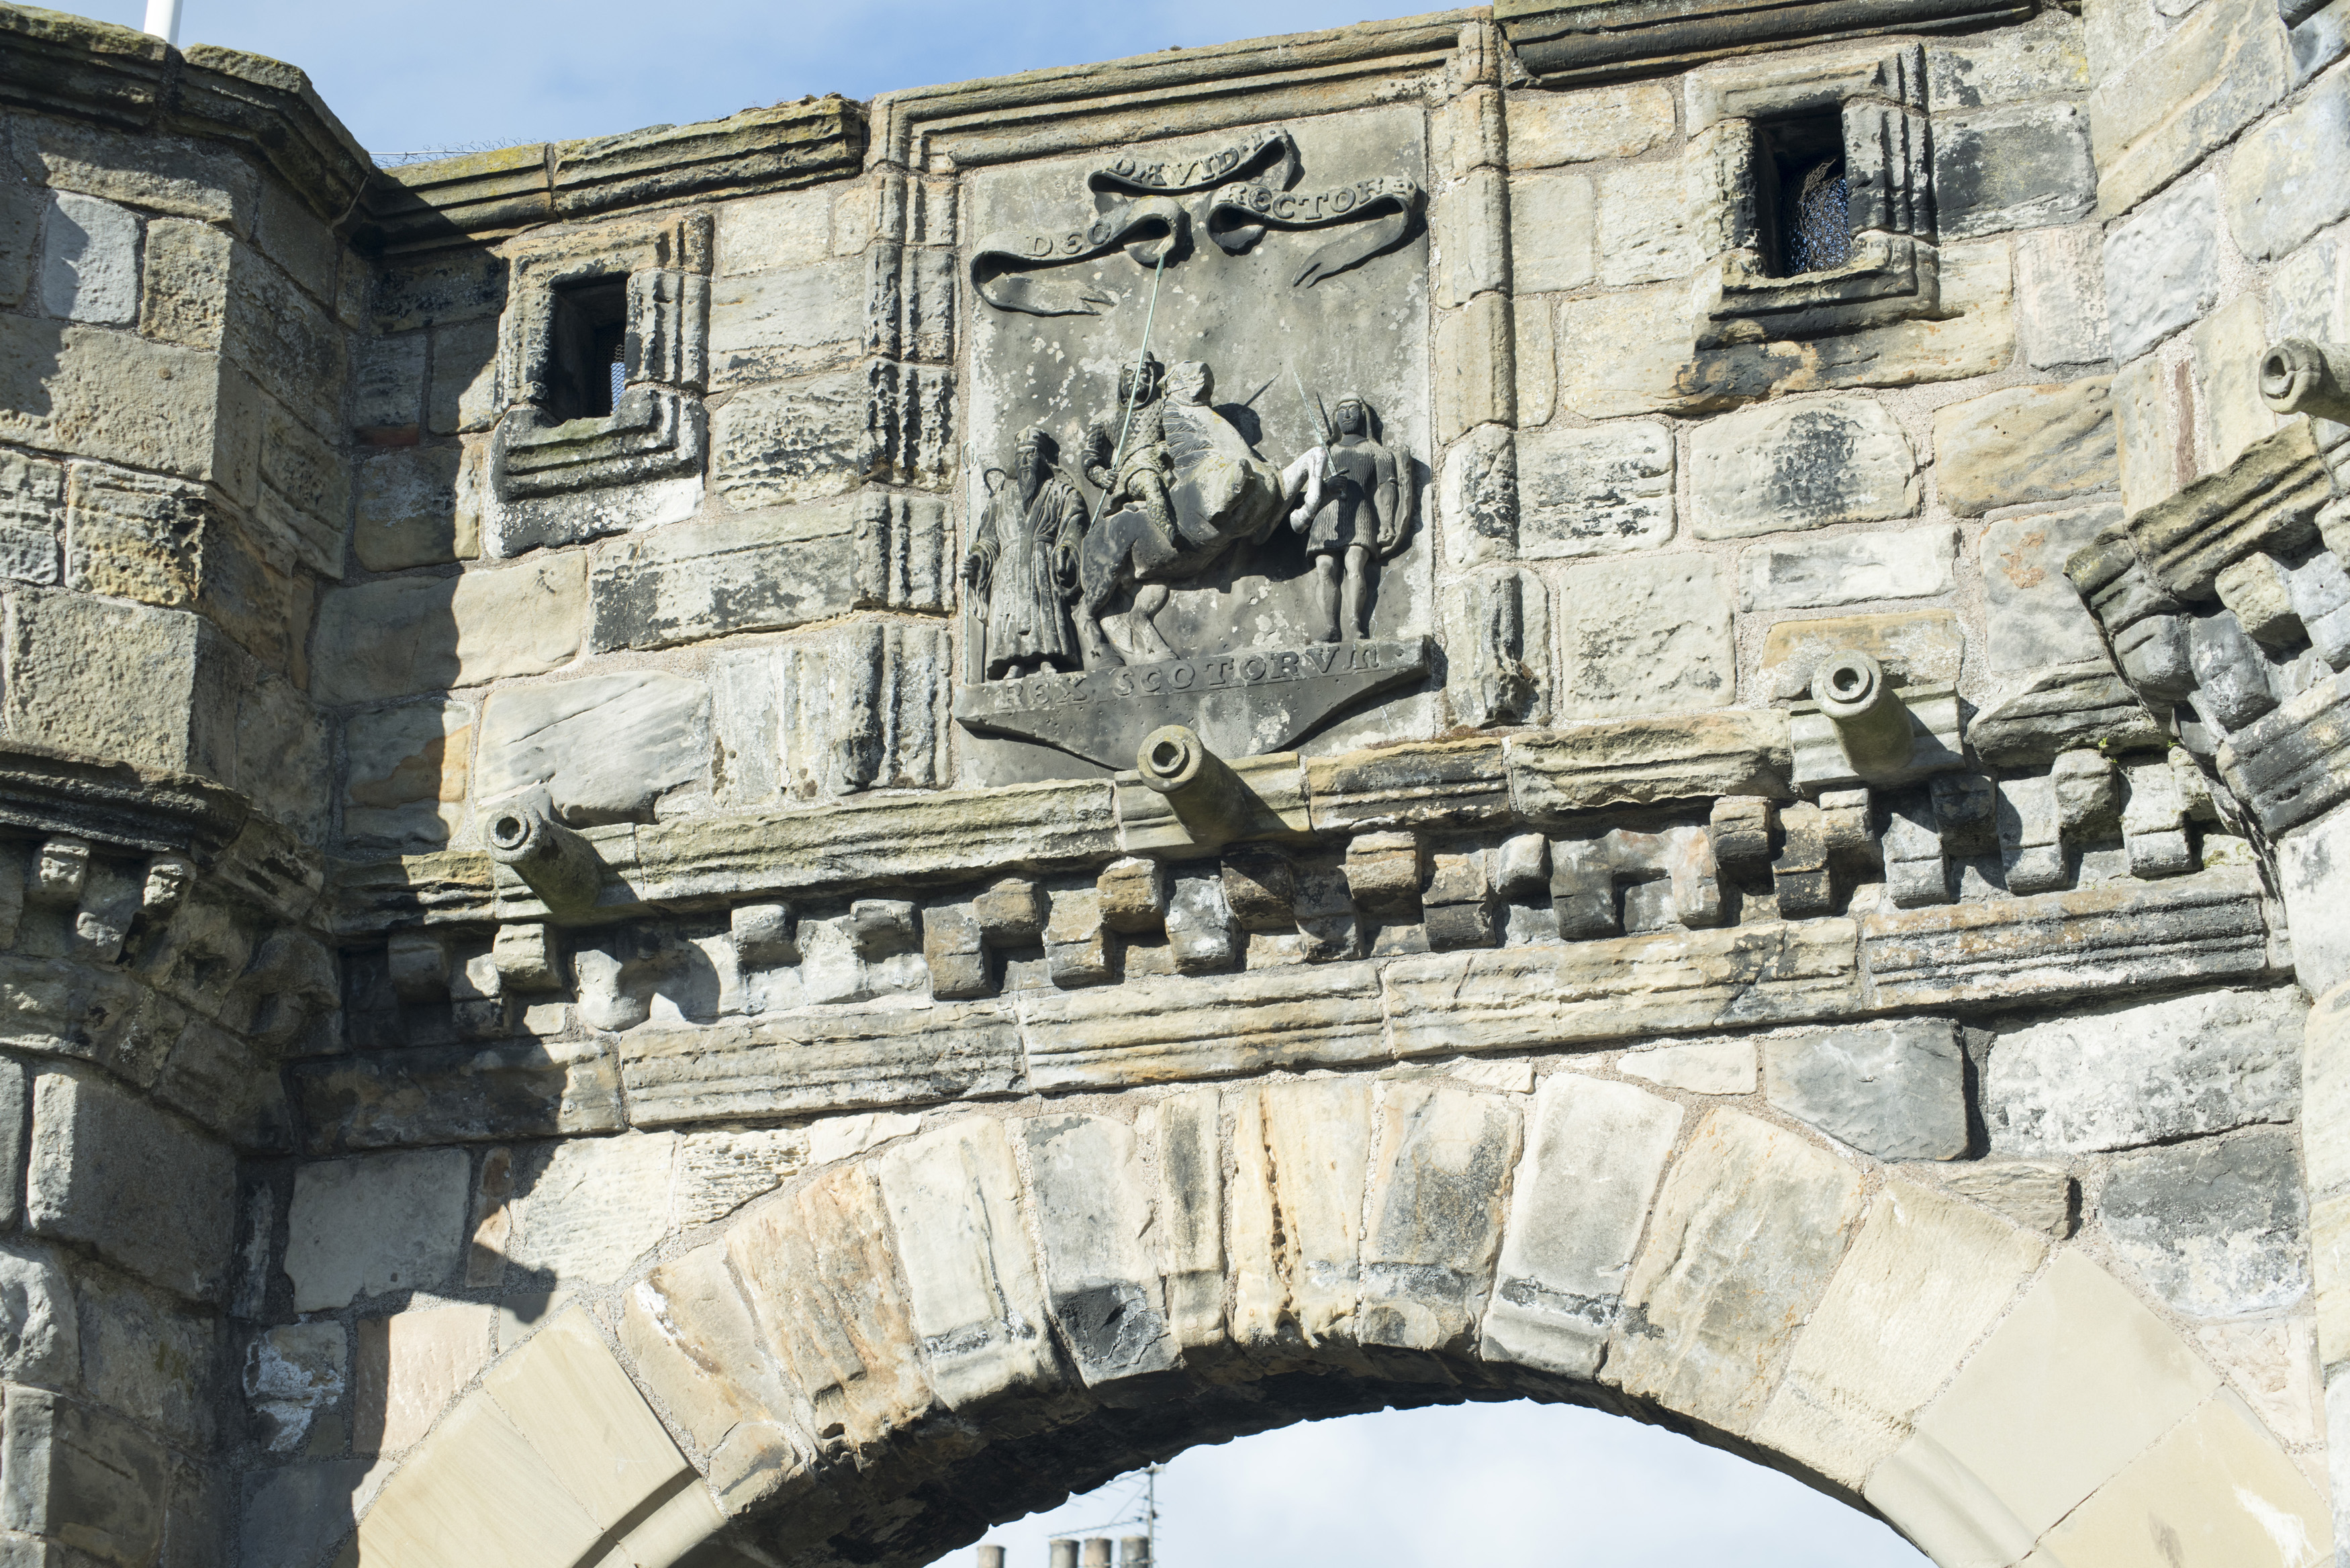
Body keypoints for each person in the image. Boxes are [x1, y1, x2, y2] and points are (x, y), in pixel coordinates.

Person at [964, 427, 1090, 679]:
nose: (1025, 461)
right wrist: (978, 558)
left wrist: (1066, 548)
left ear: (1043, 459)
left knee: (1045, 608)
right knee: (1010, 611)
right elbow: (988, 540)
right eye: (1020, 455)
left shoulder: (1062, 492)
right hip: (1008, 568)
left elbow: (1074, 522)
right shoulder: (999, 501)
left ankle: (1047, 660)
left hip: (1043, 560)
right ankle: (1013, 663)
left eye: (1031, 454)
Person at [1295, 394, 1409, 642]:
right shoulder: (1325, 453)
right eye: (1342, 410)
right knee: (1325, 569)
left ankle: (1356, 624)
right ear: (1336, 418)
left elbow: (1386, 487)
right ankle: (1330, 628)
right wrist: (1327, 487)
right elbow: (1308, 493)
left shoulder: (1377, 452)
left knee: (1355, 565)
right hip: (1328, 517)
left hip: (1360, 516)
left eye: (1352, 409)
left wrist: (1387, 521)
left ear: (1362, 415)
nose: (1347, 414)